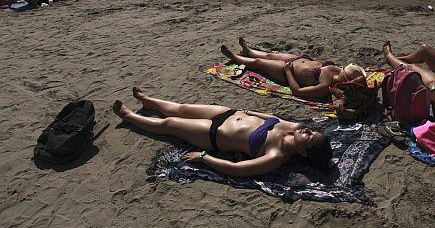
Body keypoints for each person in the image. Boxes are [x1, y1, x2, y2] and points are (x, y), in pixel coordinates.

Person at [113, 88, 333, 176]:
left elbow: (235, 169)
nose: (307, 129)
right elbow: (270, 118)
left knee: (170, 124)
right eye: (311, 130)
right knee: (181, 107)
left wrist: (204, 157)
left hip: (213, 133)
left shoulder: (276, 156)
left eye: (309, 136)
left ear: (304, 152)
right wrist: (251, 112)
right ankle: (149, 101)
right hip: (227, 113)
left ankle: (130, 117)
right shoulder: (293, 128)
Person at [220, 38, 367, 100]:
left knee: (259, 62)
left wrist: (289, 72)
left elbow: (298, 92)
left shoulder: (325, 87)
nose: (342, 69)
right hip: (298, 59)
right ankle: (248, 51)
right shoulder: (336, 70)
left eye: (345, 71)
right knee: (270, 55)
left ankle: (235, 57)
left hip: (286, 72)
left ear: (345, 80)